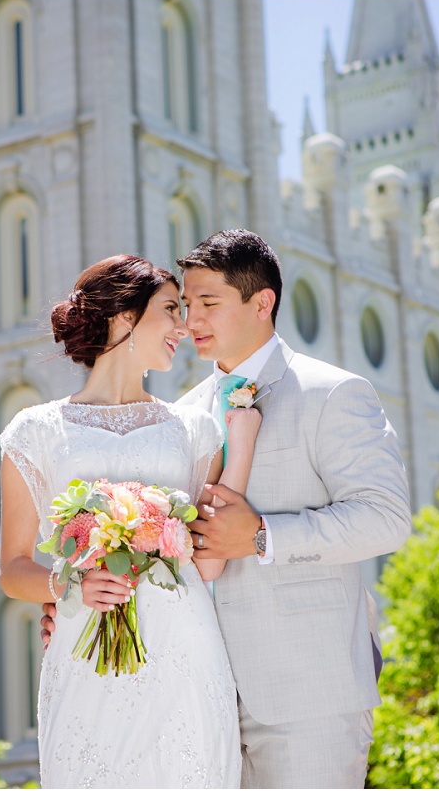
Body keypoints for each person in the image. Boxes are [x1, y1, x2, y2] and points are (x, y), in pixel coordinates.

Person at [43, 230, 412, 788]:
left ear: (262, 303)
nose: (190, 321)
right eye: (185, 306)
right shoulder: (177, 417)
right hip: (189, 693)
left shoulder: (331, 393)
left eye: (207, 303)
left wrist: (262, 534)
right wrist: (76, 598)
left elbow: (385, 518)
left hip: (307, 694)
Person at [0, 254, 261, 789]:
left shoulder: (194, 429)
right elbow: (12, 569)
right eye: (170, 309)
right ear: (124, 317)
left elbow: (209, 554)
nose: (183, 327)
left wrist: (244, 443)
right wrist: (69, 582)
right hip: (84, 653)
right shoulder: (35, 431)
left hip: (186, 652)